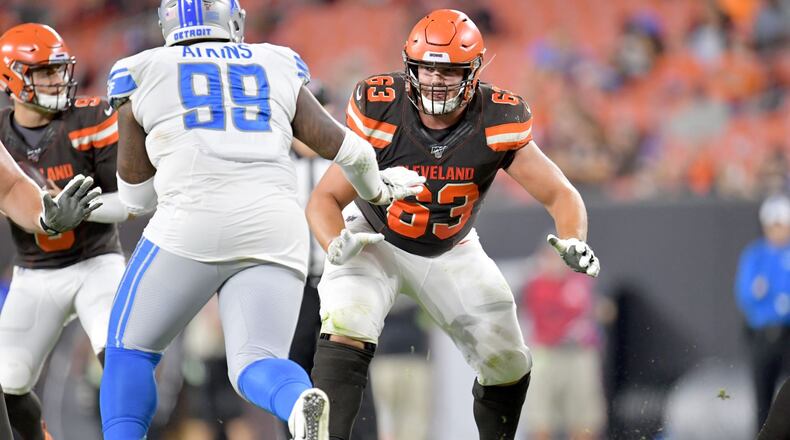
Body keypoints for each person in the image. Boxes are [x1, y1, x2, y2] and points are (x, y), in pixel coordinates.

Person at [97, 2, 424, 440]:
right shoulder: (274, 60)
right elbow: (354, 152)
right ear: (232, 19)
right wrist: (378, 192)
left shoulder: (142, 69)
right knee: (256, 360)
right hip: (277, 224)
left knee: (129, 351)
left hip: (190, 220)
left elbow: (136, 197)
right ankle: (296, 402)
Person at [306, 9, 600, 440]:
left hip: (450, 248)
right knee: (347, 321)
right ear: (411, 67)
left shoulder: (498, 118)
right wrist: (335, 243)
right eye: (427, 67)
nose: (436, 79)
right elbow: (325, 199)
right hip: (373, 237)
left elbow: (561, 194)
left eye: (450, 70)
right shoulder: (380, 107)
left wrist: (574, 238)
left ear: (473, 71)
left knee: (509, 362)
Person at [0, 22, 129, 440]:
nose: (58, 79)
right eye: (44, 72)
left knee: (121, 355)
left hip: (96, 262)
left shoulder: (91, 115)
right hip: (35, 272)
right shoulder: (3, 132)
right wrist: (50, 215)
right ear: (11, 77)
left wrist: (80, 212)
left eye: (60, 69)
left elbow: (129, 202)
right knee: (9, 384)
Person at [519, 244, 608, 439]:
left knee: (584, 419)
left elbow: (604, 311)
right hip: (545, 352)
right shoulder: (535, 285)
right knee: (540, 418)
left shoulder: (582, 282)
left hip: (578, 352)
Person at [735, 193, 790, 431]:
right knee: (763, 398)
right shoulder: (755, 254)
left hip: (788, 334)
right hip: (763, 336)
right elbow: (747, 294)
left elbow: (766, 291)